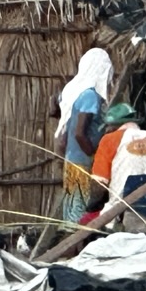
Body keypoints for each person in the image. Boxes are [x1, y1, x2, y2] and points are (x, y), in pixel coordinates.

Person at [55, 48, 115, 224]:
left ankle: (70, 245)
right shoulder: (90, 96)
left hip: (74, 158)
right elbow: (80, 134)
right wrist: (95, 156)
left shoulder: (81, 94)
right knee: (78, 210)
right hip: (82, 161)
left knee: (74, 208)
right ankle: (72, 247)